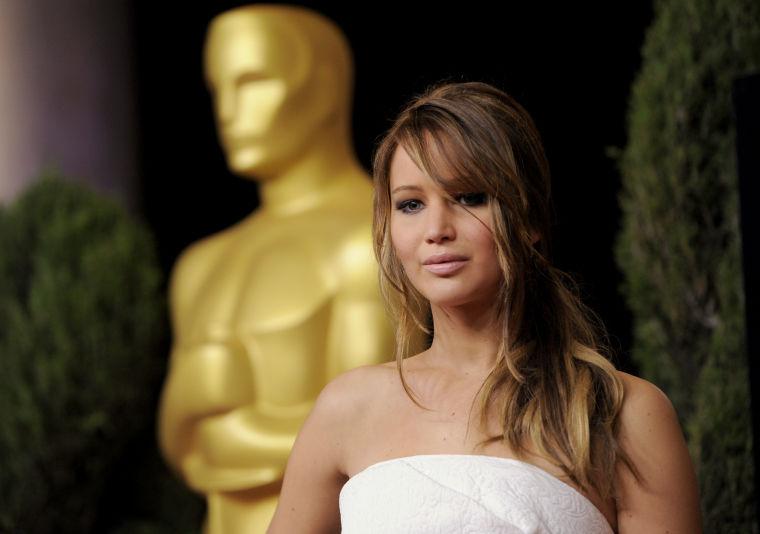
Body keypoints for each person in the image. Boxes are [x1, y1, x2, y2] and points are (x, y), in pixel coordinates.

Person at [266, 81, 703, 533]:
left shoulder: (621, 413)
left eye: (470, 197)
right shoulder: (347, 408)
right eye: (411, 204)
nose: (436, 229)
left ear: (529, 217)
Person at [157, 5, 393, 533]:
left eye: (254, 81)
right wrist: (190, 399)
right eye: (218, 88)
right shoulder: (201, 265)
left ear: (325, 86)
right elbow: (183, 451)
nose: (228, 110)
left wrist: (222, 431)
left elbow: (365, 436)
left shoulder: (374, 238)